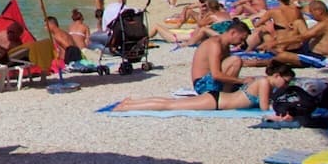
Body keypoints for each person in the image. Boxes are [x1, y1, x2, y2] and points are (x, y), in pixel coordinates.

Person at [116, 63, 295, 112]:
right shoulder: (264, 83)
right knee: (170, 105)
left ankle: (130, 103)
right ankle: (126, 107)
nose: (285, 85)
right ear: (277, 76)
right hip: (217, 101)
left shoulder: (261, 80)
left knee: (171, 102)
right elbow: (264, 108)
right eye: (285, 81)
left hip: (218, 98)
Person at [262, 1, 328, 67]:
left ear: (319, 11)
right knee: (298, 23)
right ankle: (280, 49)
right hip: (315, 54)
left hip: (323, 59)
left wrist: (276, 42)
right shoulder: (327, 23)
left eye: (311, 12)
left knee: (282, 56)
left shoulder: (325, 24)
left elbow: (301, 38)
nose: (311, 15)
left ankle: (259, 62)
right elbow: (306, 36)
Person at [188, 20, 251, 96]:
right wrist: (242, 81)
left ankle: (227, 93)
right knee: (236, 60)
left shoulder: (224, 45)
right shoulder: (215, 45)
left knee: (250, 87)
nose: (242, 43)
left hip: (210, 80)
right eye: (241, 39)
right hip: (202, 84)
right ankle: (227, 95)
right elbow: (216, 75)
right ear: (233, 32)